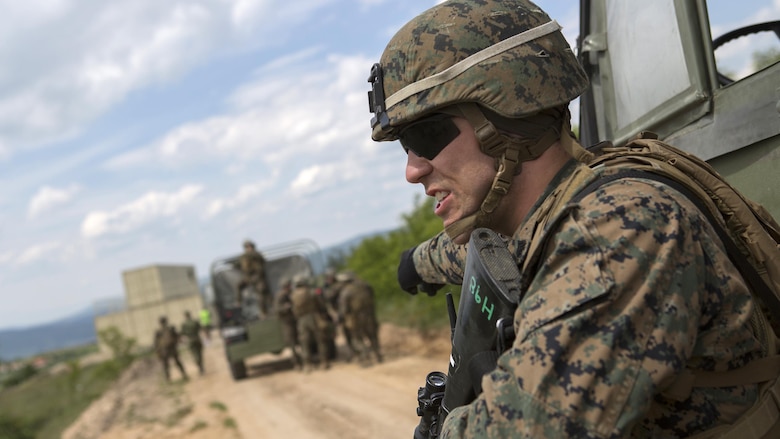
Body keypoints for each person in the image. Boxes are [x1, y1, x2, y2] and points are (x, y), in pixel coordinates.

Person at [367, 0, 776, 437]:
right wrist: (414, 264)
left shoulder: (618, 229)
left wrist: (445, 426)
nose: (413, 170)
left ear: (506, 110)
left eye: (423, 137)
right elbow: (486, 249)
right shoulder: (563, 202)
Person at [336, 271, 382, 365]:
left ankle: (365, 358)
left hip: (355, 317)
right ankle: (378, 355)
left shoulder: (346, 292)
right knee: (372, 336)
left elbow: (344, 308)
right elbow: (372, 296)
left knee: (357, 338)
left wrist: (341, 318)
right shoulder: (365, 286)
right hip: (370, 314)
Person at [289, 274, 331, 373]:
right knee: (320, 340)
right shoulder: (311, 292)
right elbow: (321, 305)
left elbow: (293, 309)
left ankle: (307, 364)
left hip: (301, 320)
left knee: (304, 343)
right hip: (314, 317)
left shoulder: (293, 295)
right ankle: (324, 362)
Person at [273, 277, 303, 370]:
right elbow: (277, 309)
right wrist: (286, 307)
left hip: (296, 320)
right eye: (287, 286)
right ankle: (296, 363)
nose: (289, 287)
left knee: (303, 339)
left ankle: (305, 359)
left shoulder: (292, 294)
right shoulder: (280, 296)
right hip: (287, 322)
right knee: (292, 343)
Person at [237, 239, 271, 317]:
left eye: (250, 246)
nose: (248, 248)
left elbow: (262, 261)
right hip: (248, 277)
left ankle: (263, 312)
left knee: (261, 293)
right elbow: (240, 265)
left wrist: (251, 254)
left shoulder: (256, 254)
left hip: (258, 277)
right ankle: (239, 301)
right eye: (247, 247)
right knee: (239, 286)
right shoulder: (243, 256)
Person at [153, 316, 188, 382]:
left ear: (160, 323)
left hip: (164, 350)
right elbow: (178, 336)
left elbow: (156, 343)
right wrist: (181, 342)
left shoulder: (158, 331)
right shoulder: (171, 328)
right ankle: (184, 374)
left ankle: (167, 378)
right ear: (166, 321)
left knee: (166, 365)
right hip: (172, 348)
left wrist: (157, 352)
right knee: (177, 362)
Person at [180, 311, 204, 375]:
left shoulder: (184, 324)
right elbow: (200, 328)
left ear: (185, 316)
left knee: (194, 354)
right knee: (199, 353)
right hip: (197, 338)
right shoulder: (195, 322)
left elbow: (182, 333)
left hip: (190, 340)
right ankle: (201, 365)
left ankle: (198, 364)